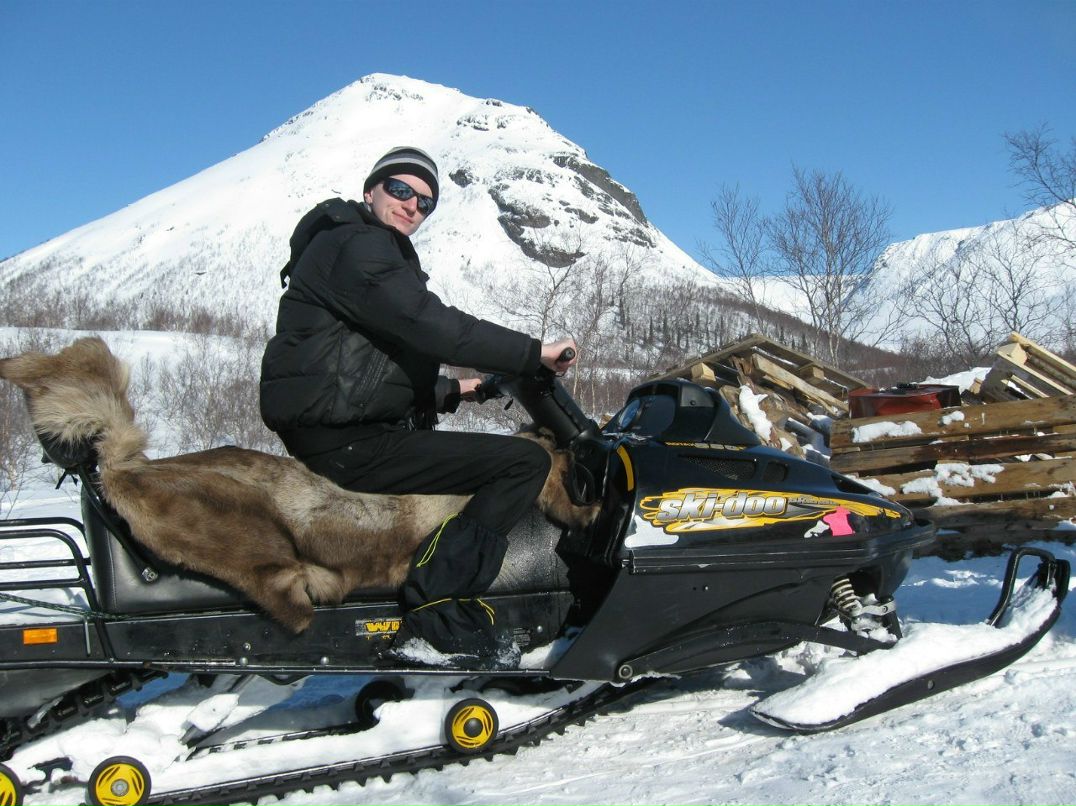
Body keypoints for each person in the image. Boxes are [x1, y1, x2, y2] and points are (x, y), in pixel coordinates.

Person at [259, 146, 578, 667]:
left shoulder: (353, 245)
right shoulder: (357, 245)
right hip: (351, 445)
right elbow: (430, 325)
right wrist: (533, 352)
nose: (412, 205)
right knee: (525, 462)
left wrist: (457, 390)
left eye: (425, 202)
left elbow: (363, 371)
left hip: (344, 433)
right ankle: (438, 605)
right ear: (371, 191)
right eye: (401, 190)